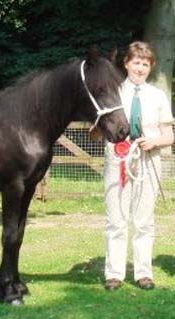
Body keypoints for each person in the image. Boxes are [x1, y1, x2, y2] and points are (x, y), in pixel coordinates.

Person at [103, 41, 174, 291]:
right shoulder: (112, 92)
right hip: (117, 160)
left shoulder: (158, 96)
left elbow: (170, 135)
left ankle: (143, 273)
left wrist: (154, 141)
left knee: (144, 220)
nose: (140, 68)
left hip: (148, 160)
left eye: (145, 64)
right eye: (136, 62)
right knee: (116, 219)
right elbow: (97, 129)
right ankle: (114, 273)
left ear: (151, 67)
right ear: (126, 63)